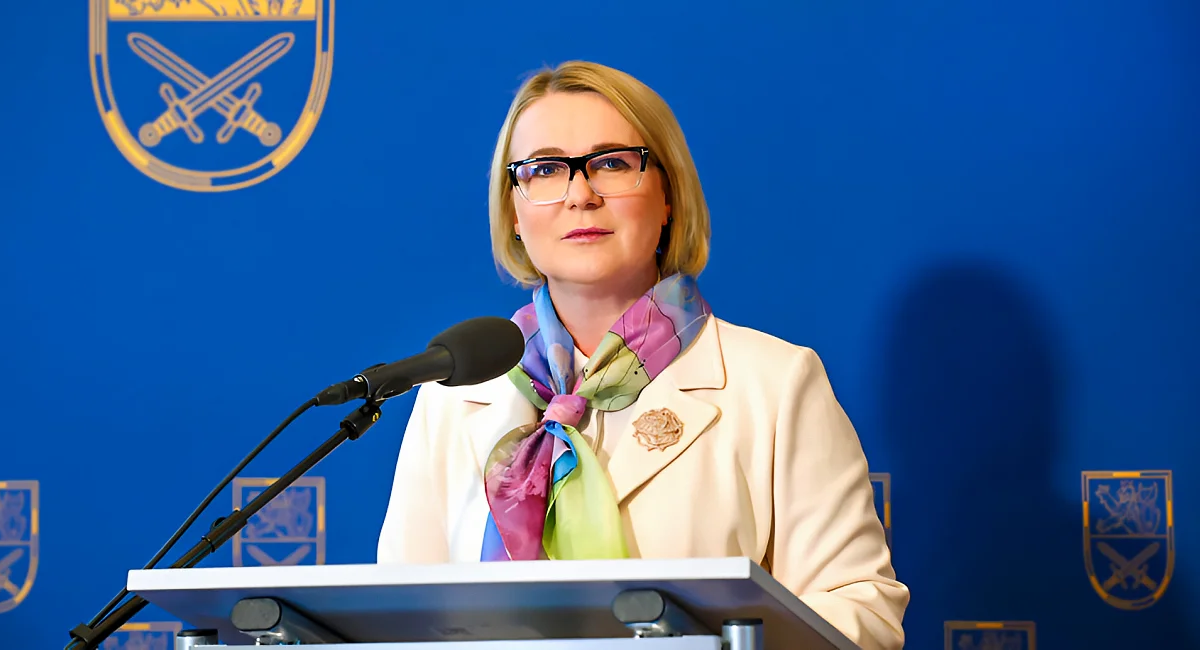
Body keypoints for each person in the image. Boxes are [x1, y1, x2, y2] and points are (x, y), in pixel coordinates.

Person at [376, 60, 909, 649]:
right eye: (545, 170)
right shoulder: (454, 395)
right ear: (514, 212)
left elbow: (862, 615)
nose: (580, 195)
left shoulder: (776, 384)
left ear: (668, 196)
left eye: (611, 163)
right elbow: (397, 621)